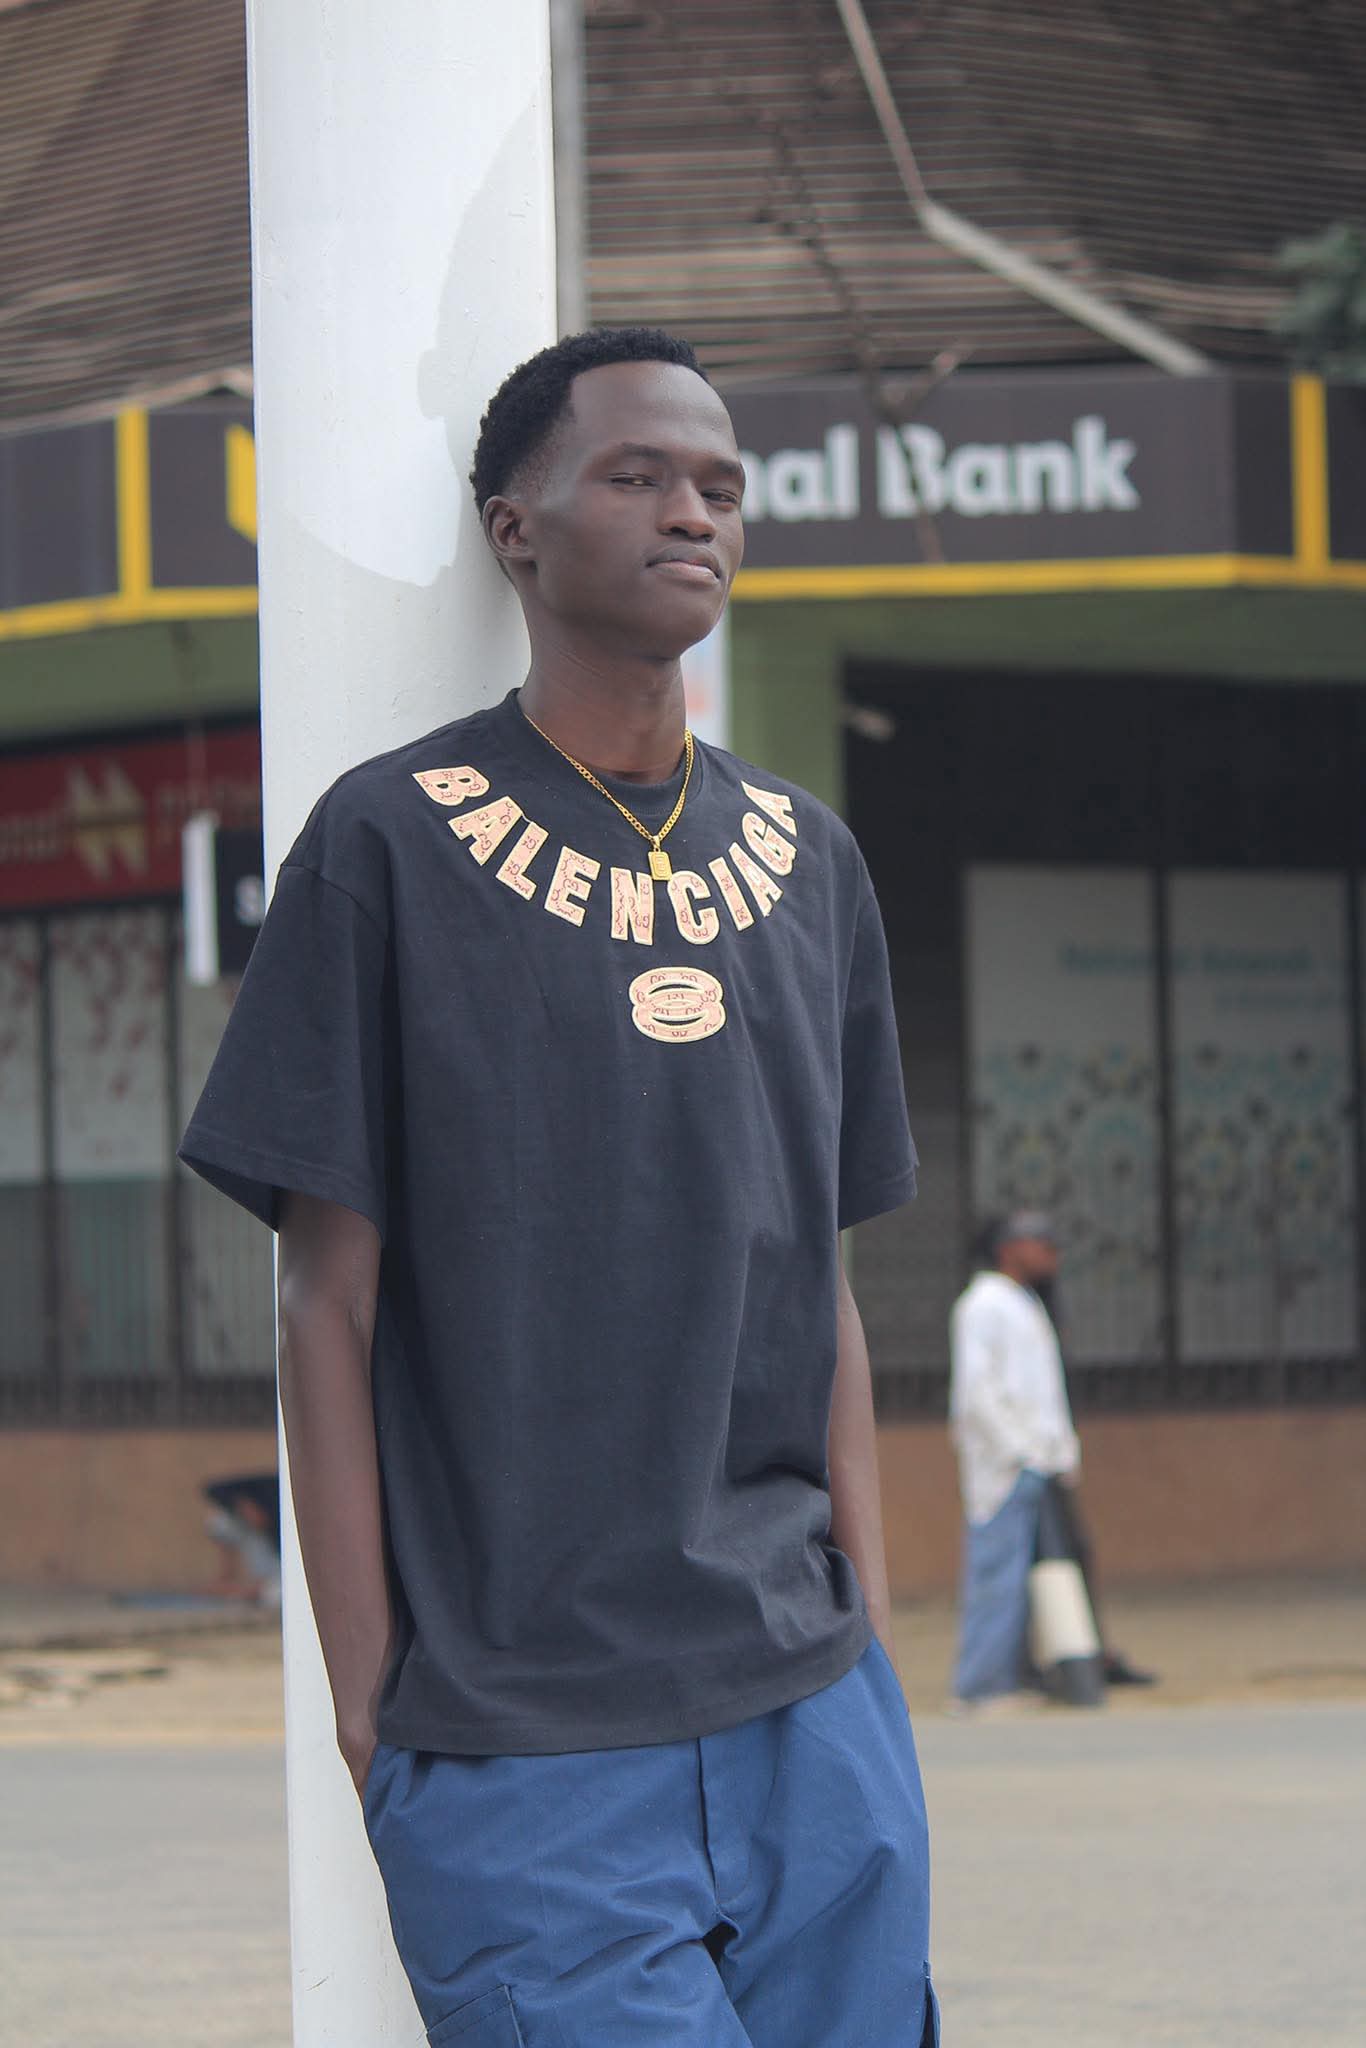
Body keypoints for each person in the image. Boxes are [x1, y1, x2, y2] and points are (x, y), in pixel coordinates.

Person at [180, 328, 936, 2047]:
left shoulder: (811, 862)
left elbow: (815, 1282)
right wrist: (372, 1714)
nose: (693, 513)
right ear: (513, 530)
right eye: (639, 475)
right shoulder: (387, 843)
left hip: (809, 1715)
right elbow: (323, 1302)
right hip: (520, 1742)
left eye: (721, 485)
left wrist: (870, 1646)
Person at [948, 1212, 1155, 1710]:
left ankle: (1024, 1675)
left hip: (1042, 1463)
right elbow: (976, 1393)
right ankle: (979, 1687)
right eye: (1040, 1244)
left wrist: (1059, 1453)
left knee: (1040, 1578)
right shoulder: (983, 1304)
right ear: (1008, 1249)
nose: (1051, 1254)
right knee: (997, 1576)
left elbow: (1043, 1394)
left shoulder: (1026, 1304)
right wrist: (1019, 1452)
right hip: (1009, 1466)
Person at [201, 1472, 281, 1608]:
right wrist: (225, 1579)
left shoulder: (284, 1529)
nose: (249, 1514)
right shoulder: (242, 1526)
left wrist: (249, 1590)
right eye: (243, 1508)